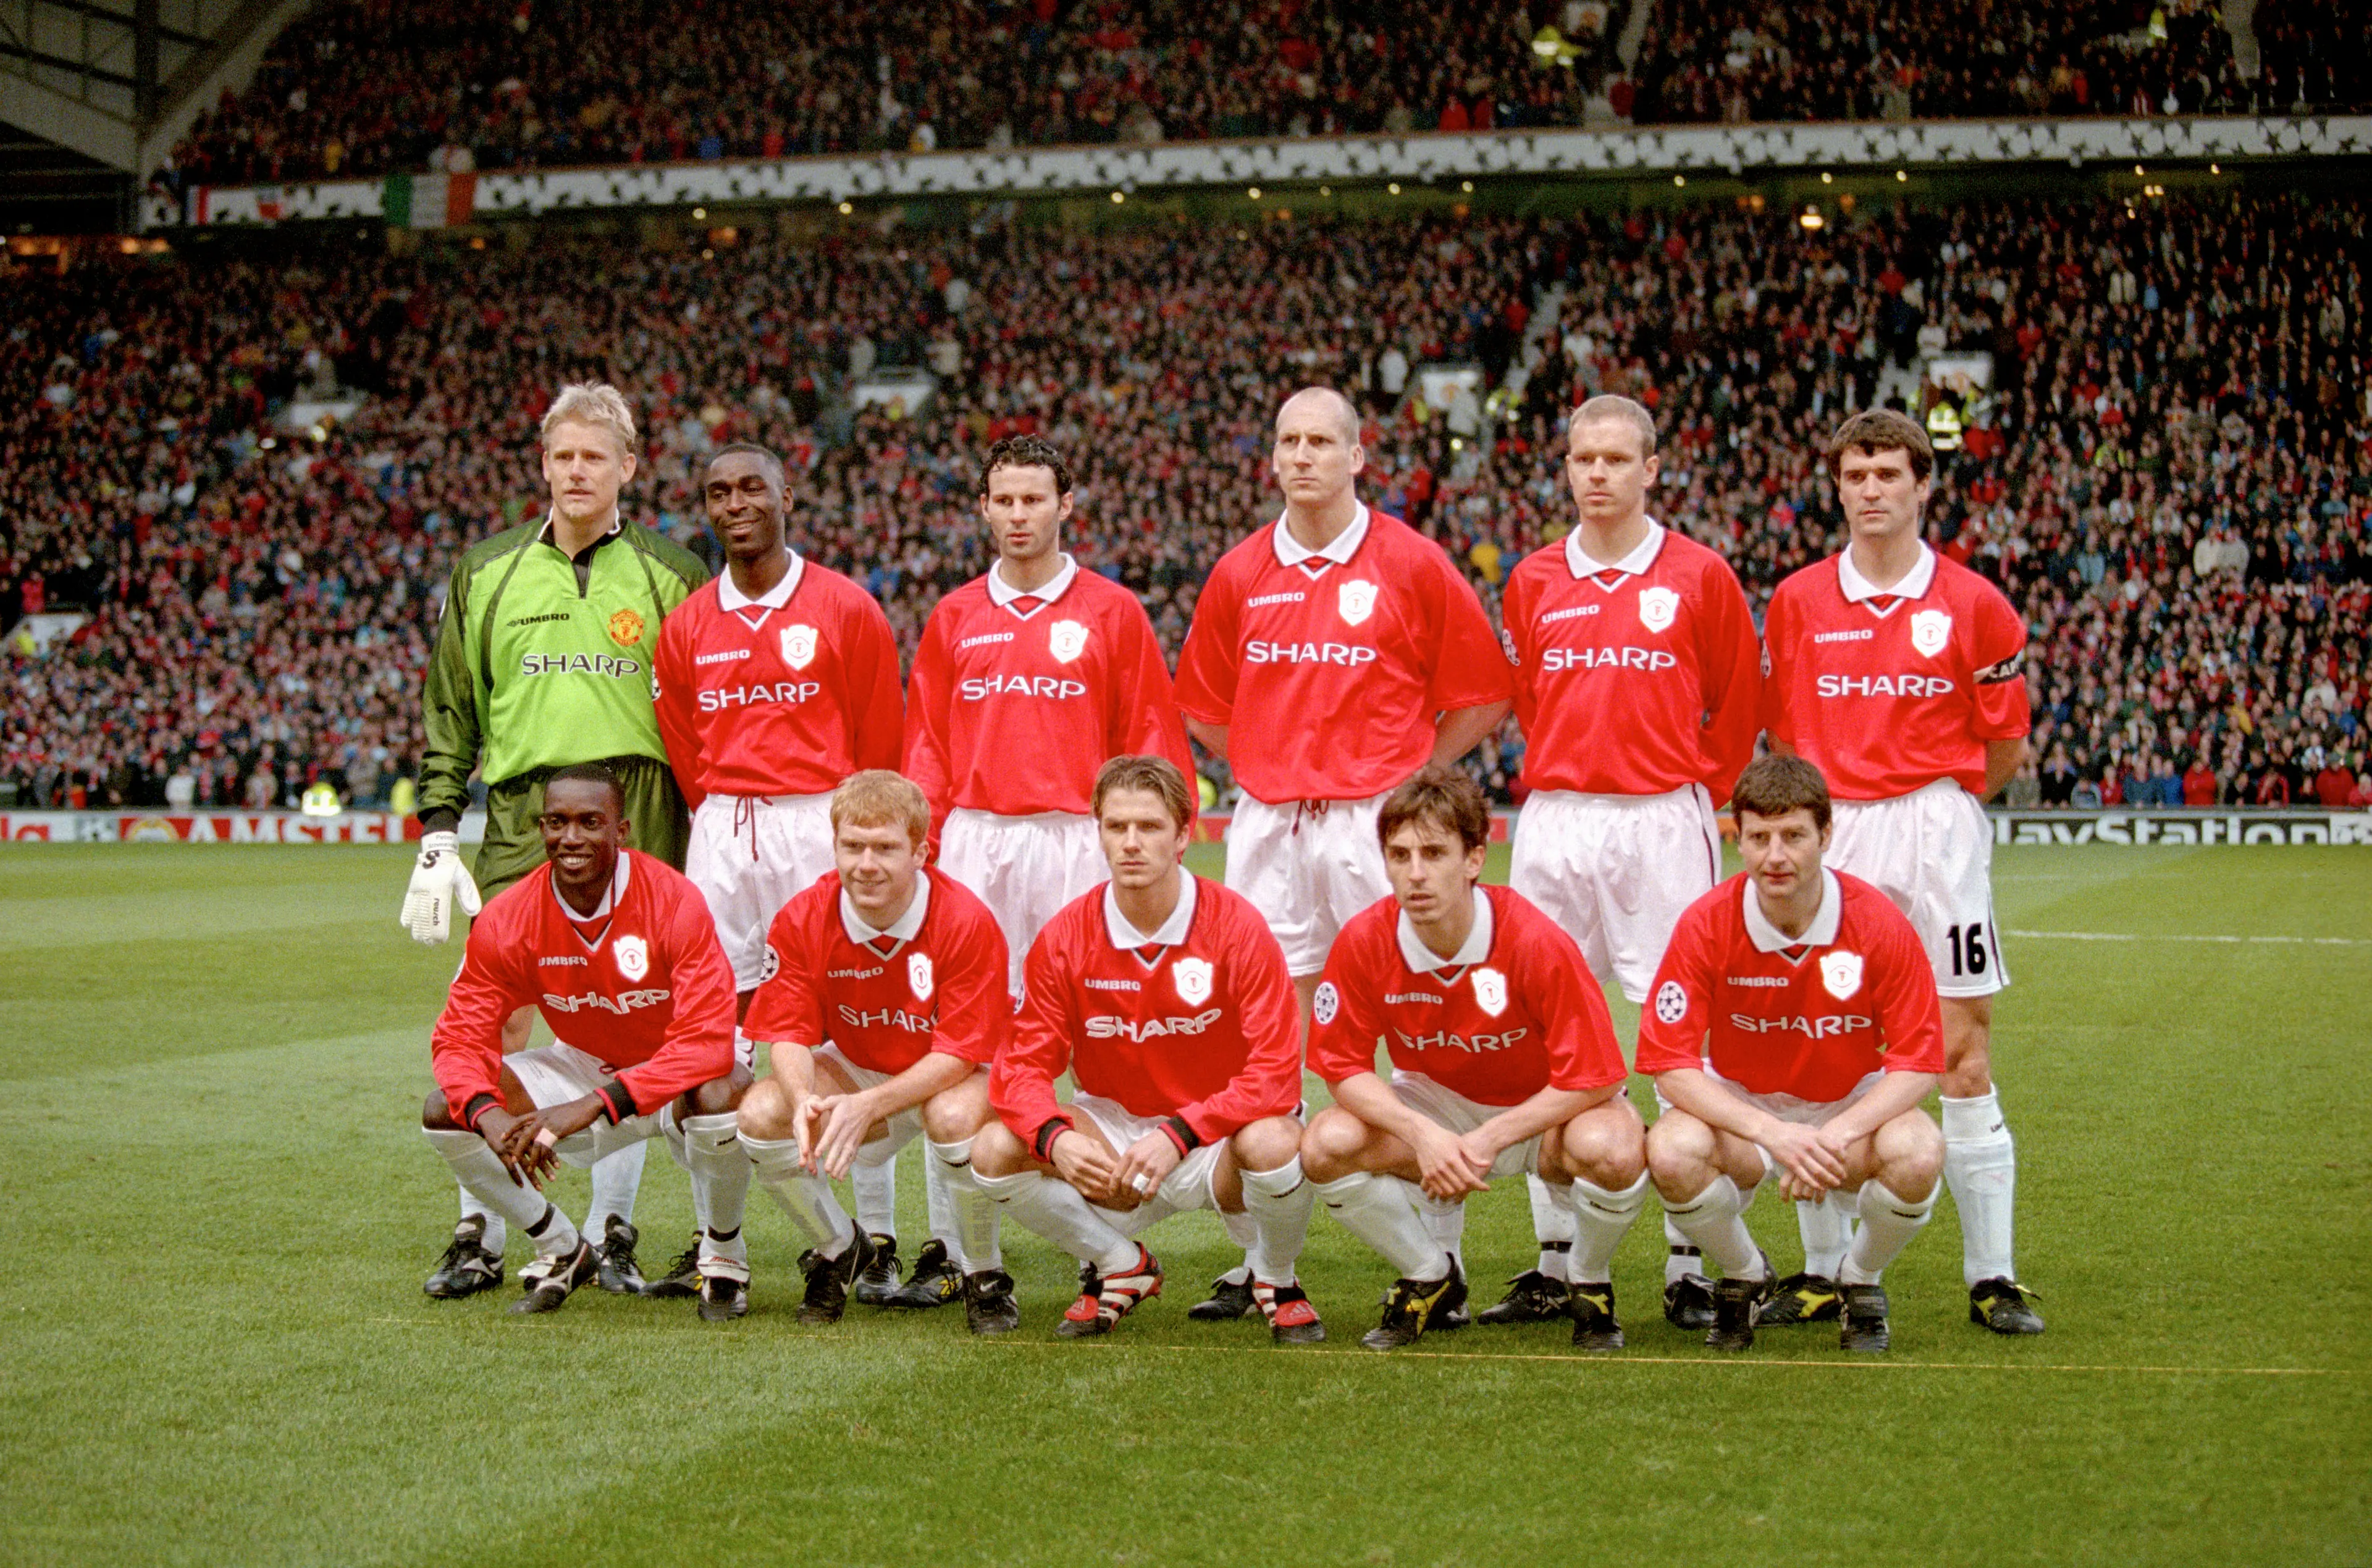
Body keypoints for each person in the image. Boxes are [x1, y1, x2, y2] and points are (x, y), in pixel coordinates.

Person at [1172, 385, 1512, 1320]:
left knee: (1418, 1026)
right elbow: (1200, 705)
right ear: (1271, 458)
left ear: (1359, 456)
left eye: (1322, 440)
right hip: (1272, 820)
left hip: (1376, 819)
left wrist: (1413, 781)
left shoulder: (1411, 559)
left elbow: (1484, 692)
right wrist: (1270, 763)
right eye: (1289, 441)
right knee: (1256, 1038)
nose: (1304, 456)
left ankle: (1441, 1257)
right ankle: (1264, 1263)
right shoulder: (1241, 570)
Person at [408, 383, 710, 1302]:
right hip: (520, 809)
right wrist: (434, 830)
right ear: (543, 465)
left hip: (641, 800)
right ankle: (483, 1226)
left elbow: (701, 708)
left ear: (628, 465)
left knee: (635, 1015)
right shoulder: (488, 569)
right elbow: (454, 704)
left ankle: (614, 1229)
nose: (576, 472)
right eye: (561, 456)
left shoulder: (672, 570)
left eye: (594, 456)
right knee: (498, 1017)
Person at [1760, 409, 2042, 1335]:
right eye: (1856, 475)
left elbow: (2003, 744)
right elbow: (1788, 735)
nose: (1871, 489)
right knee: (1823, 1043)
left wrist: (1938, 805)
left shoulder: (1976, 602)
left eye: (1889, 473)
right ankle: (1821, 1266)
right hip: (1835, 831)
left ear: (1925, 484)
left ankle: (1992, 1271)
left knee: (1962, 1048)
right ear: (1837, 487)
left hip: (1936, 827)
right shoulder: (1798, 599)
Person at [1494, 393, 1762, 1334]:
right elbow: (1531, 695)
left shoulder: (1699, 574)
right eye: (1582, 458)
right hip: (1559, 818)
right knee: (1544, 1032)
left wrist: (1692, 790)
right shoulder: (1531, 578)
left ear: (1654, 468)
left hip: (1660, 818)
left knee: (1685, 1035)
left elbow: (1735, 705)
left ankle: (1692, 1256)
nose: (1597, 474)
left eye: (1616, 459)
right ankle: (1554, 1256)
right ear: (1565, 468)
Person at [649, 440, 906, 1300]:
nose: (735, 504)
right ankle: (716, 1237)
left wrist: (853, 833)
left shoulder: (844, 606)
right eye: (718, 492)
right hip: (724, 828)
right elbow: (686, 745)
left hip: (815, 819)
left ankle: (879, 1236)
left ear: (787, 493)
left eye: (751, 486)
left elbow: (880, 744)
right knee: (711, 1036)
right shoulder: (687, 624)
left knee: (841, 1025)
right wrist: (724, 814)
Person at [970, 755, 1322, 1343]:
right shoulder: (1066, 936)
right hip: (1116, 1135)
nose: (1131, 843)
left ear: (1184, 834)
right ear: (1099, 832)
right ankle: (1118, 1264)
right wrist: (1056, 1137)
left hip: (1217, 1137)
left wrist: (1182, 1132)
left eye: (1150, 827)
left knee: (1277, 1142)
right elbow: (1021, 1068)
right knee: (994, 1146)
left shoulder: (1237, 926)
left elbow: (1278, 1074)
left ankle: (1277, 1279)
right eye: (1117, 827)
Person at [1303, 767, 1644, 1352]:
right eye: (1399, 854)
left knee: (1613, 1147)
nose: (1415, 873)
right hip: (1436, 1104)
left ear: (1474, 858)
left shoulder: (1535, 940)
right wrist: (1423, 1132)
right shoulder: (1364, 939)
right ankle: (1431, 1273)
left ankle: (1587, 1278)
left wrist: (1488, 1140)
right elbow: (1341, 1066)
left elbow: (1596, 1076)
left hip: (1542, 1110)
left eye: (1434, 853)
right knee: (1324, 1142)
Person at [1638, 754, 1947, 1352]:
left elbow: (1920, 1061)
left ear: (1826, 835)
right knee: (1671, 1150)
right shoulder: (1706, 922)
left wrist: (1837, 1133)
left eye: (1793, 836)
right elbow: (1668, 1063)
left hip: (1846, 1107)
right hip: (1745, 1106)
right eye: (1759, 837)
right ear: (1739, 839)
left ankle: (1859, 1281)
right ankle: (1746, 1273)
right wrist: (1772, 1133)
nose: (1775, 855)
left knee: (1919, 1151)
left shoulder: (1877, 923)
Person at [418, 764, 751, 1318]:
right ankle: (563, 1247)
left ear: (621, 830)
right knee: (445, 1110)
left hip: (668, 1072)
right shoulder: (508, 917)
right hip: (582, 1063)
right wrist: (487, 1115)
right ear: (542, 827)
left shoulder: (674, 899)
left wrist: (595, 1104)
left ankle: (723, 1257)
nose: (570, 838)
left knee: (727, 1093)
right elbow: (458, 1036)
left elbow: (707, 1042)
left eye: (589, 822)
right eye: (557, 822)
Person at [904, 434, 1194, 1002]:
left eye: (1033, 500)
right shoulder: (954, 615)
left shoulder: (1113, 610)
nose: (1019, 515)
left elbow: (1150, 736)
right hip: (977, 840)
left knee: (1099, 1011)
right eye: (1005, 500)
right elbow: (928, 747)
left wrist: (1158, 839)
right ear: (983, 507)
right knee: (975, 1016)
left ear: (1064, 504)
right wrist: (923, 843)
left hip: (1078, 839)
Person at [734, 772, 1017, 1331]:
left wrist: (871, 1105)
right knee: (761, 1114)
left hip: (944, 1074)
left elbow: (961, 1052)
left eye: (886, 847)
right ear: (834, 845)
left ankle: (983, 1271)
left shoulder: (966, 919)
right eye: (853, 846)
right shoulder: (803, 916)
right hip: (859, 1065)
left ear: (920, 851)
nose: (867, 864)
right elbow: (788, 1034)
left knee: (957, 1117)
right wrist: (800, 1101)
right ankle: (841, 1248)